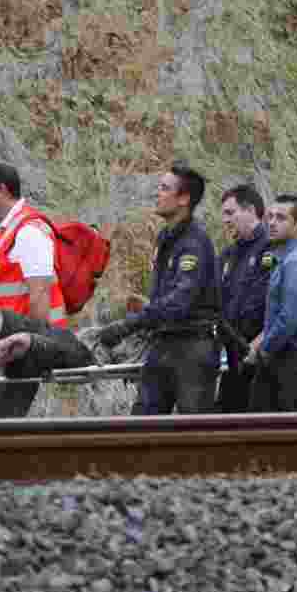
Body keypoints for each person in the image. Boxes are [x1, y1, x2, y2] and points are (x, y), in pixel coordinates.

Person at [97, 164, 221, 415]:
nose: (158, 193)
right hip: (163, 342)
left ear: (183, 199)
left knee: (194, 429)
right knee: (142, 423)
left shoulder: (194, 243)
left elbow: (179, 301)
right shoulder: (167, 237)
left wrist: (129, 325)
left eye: (165, 188)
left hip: (192, 347)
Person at [0, 162, 67, 418]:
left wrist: (32, 352)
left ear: (1, 190)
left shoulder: (29, 232)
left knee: (3, 426)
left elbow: (40, 295)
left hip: (19, 349)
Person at [243, 194, 297, 412]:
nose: (272, 223)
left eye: (281, 218)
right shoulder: (286, 258)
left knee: (290, 427)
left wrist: (264, 348)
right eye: (270, 217)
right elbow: (281, 313)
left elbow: (291, 318)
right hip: (285, 354)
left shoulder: (296, 263)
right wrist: (261, 340)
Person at [215, 184, 273, 413]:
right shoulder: (228, 255)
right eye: (223, 214)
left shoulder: (271, 250)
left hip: (261, 356)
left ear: (250, 210)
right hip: (231, 354)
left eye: (230, 213)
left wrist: (255, 346)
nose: (225, 220)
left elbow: (274, 307)